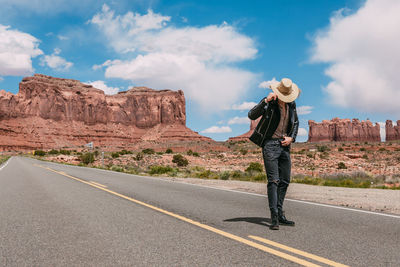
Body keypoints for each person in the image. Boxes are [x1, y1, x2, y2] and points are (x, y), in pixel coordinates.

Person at [248, 78, 299, 230]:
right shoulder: (270, 103)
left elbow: (295, 123)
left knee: (285, 181)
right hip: (270, 145)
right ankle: (274, 216)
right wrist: (265, 100)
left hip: (284, 146)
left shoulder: (291, 104)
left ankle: (281, 213)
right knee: (274, 181)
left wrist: (292, 138)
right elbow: (252, 115)